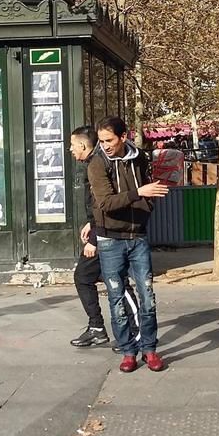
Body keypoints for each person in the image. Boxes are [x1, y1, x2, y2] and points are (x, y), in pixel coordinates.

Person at [87, 117, 169, 373]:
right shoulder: (97, 163)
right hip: (110, 238)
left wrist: (147, 205)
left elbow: (149, 186)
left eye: (109, 140)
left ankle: (149, 349)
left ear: (123, 137)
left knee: (147, 295)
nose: (105, 146)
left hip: (138, 235)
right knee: (117, 297)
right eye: (101, 141)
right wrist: (139, 194)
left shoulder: (139, 156)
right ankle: (127, 351)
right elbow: (106, 203)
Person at [68, 126, 138, 350]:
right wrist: (91, 222)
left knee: (114, 280)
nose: (70, 149)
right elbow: (96, 204)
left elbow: (105, 203)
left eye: (72, 145)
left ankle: (134, 332)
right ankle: (98, 328)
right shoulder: (93, 163)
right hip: (102, 229)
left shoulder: (98, 164)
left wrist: (95, 240)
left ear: (82, 146)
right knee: (90, 277)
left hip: (109, 234)